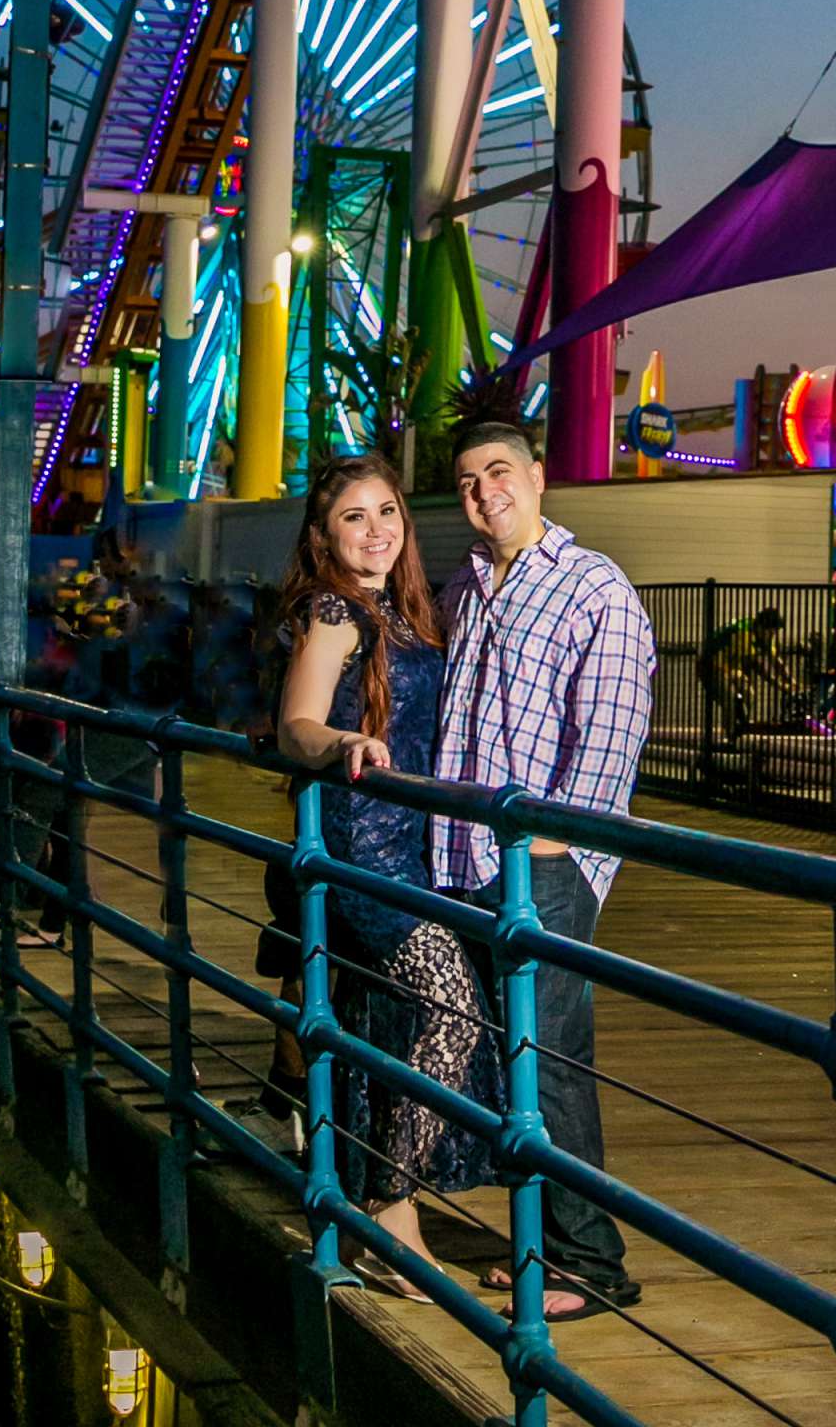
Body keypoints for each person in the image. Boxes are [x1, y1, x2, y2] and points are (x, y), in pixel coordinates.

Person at [433, 421, 655, 1321]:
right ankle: (543, 1242)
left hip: (542, 866)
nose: (485, 491)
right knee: (507, 1059)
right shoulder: (468, 585)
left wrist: (543, 848)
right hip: (463, 855)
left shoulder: (593, 585)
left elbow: (606, 744)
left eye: (499, 472)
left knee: (551, 1057)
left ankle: (591, 1262)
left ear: (537, 477)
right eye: (467, 481)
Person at [276, 454, 503, 1298]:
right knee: (454, 1012)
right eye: (354, 519)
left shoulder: (407, 611)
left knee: (391, 1027)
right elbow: (295, 723)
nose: (376, 532)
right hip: (362, 848)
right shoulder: (336, 610)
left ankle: (376, 1198)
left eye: (388, 514)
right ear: (323, 536)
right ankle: (389, 1207)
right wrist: (341, 744)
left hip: (416, 847)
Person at [699, 606, 800, 737]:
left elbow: (775, 660)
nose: (773, 635)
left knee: (749, 694)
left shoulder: (763, 635)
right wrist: (781, 686)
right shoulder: (744, 633)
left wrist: (792, 681)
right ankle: (729, 737)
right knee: (729, 697)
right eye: (772, 632)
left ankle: (739, 729)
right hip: (709, 665)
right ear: (761, 627)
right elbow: (756, 666)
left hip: (729, 666)